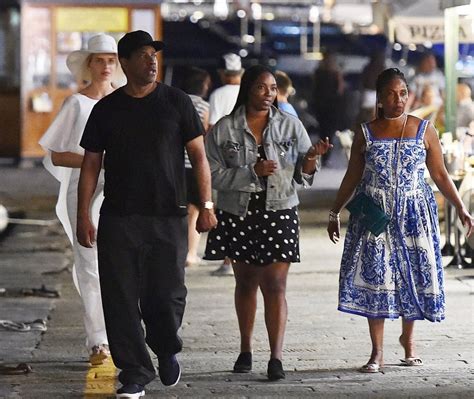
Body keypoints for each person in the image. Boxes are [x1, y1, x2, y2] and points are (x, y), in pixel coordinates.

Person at [76, 30, 217, 398]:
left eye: (154, 54)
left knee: (166, 294)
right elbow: (91, 164)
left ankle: (166, 345)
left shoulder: (176, 103)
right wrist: (83, 215)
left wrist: (207, 205)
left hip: (168, 215)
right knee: (120, 296)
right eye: (142, 55)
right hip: (120, 217)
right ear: (124, 62)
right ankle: (135, 372)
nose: (151, 61)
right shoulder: (106, 110)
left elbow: (200, 157)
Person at [327, 68, 474, 374]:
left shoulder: (424, 129)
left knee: (415, 275)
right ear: (379, 99)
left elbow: (440, 174)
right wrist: (334, 211)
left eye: (403, 93)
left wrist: (460, 207)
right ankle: (377, 352)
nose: (398, 99)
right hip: (374, 215)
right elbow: (352, 175)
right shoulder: (365, 133)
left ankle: (409, 341)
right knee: (376, 279)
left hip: (414, 214)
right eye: (391, 94)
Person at [204, 65, 332, 381]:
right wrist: (251, 173)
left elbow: (304, 176)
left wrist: (312, 159)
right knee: (245, 282)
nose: (268, 94)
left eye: (273, 88)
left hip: (280, 211)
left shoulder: (291, 126)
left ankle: (276, 357)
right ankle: (246, 349)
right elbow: (211, 174)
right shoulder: (224, 129)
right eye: (262, 87)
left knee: (275, 285)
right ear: (248, 88)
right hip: (239, 214)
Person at [38, 33, 125, 366]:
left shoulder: (124, 101)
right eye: (99, 59)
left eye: (111, 60)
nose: (106, 66)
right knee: (89, 265)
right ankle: (98, 341)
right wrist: (99, 160)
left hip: (122, 190)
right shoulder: (76, 103)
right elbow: (58, 155)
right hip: (85, 191)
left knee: (120, 265)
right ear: (88, 64)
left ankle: (121, 333)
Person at [208, 53, 244, 275]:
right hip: (249, 158)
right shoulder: (249, 92)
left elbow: (211, 128)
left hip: (224, 160)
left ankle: (228, 260)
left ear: (222, 73)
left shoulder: (218, 95)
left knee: (227, 210)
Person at [180, 67, 212, 267]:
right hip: (194, 164)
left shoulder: (176, 102)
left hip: (175, 165)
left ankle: (178, 251)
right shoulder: (203, 106)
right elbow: (205, 134)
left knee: (179, 212)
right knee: (194, 211)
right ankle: (190, 253)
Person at [312, 51, 345, 161]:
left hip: (321, 105)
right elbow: (340, 90)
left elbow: (314, 88)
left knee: (322, 131)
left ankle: (322, 153)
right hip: (332, 106)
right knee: (330, 132)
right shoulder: (335, 73)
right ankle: (327, 155)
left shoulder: (318, 72)